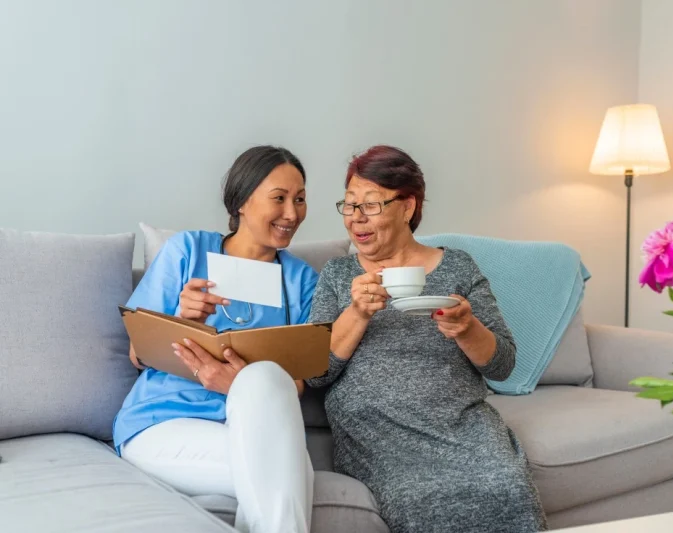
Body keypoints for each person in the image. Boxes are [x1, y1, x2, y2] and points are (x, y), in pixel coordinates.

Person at [305, 145, 548, 532]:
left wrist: (468, 329)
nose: (356, 219)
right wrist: (357, 313)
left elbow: (503, 365)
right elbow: (315, 372)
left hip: (461, 424)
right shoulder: (338, 276)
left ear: (407, 206)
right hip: (376, 434)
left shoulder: (457, 266)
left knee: (504, 483)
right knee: (419, 496)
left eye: (371, 205)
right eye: (349, 205)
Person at [113, 146, 319, 533]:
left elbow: (296, 383)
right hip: (164, 421)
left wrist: (238, 383)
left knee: (266, 390)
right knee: (293, 474)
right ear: (241, 201)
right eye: (279, 198)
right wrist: (179, 318)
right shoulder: (188, 251)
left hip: (255, 425)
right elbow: (138, 353)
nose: (292, 213)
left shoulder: (302, 280)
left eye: (300, 199)